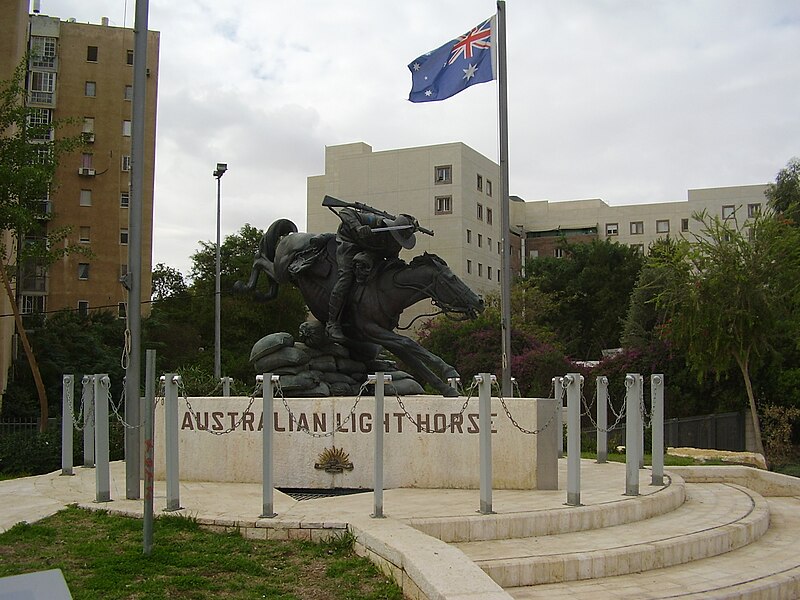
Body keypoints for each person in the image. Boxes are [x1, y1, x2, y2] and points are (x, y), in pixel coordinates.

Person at [326, 207, 418, 342]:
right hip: (350, 242)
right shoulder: (375, 221)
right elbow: (346, 212)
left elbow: (391, 259)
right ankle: (332, 323)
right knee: (346, 277)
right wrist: (358, 227)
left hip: (370, 251)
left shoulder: (396, 244)